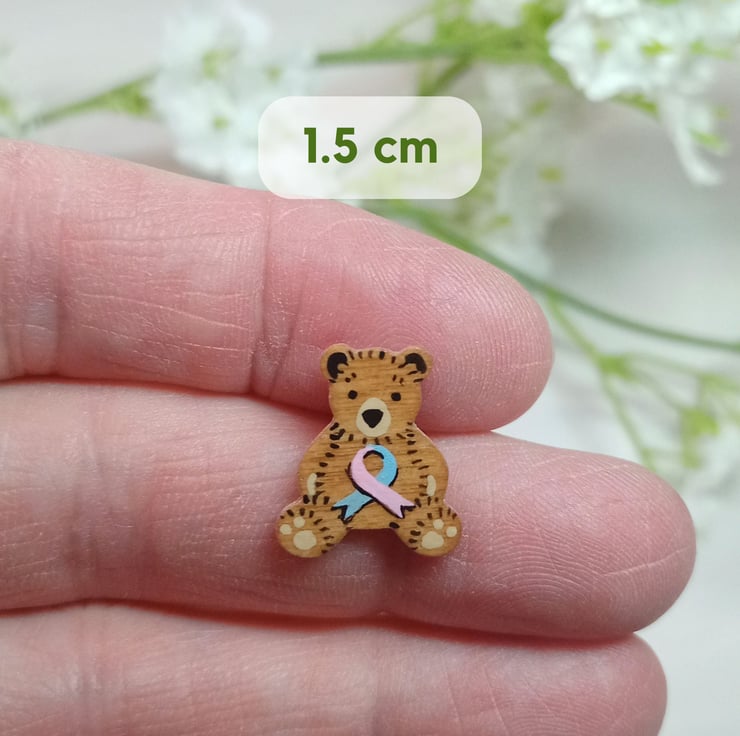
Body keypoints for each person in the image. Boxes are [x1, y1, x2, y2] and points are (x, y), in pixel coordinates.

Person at [0, 140, 695, 735]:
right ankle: (322, 525)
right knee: (322, 508)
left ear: (411, 387)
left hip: (402, 505)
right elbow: (317, 468)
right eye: (357, 395)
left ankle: (415, 525)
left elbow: (426, 466)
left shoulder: (410, 445)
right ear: (338, 384)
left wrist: (417, 499)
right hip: (339, 503)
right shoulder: (333, 444)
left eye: (389, 397)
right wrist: (321, 497)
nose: (371, 410)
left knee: (419, 510)